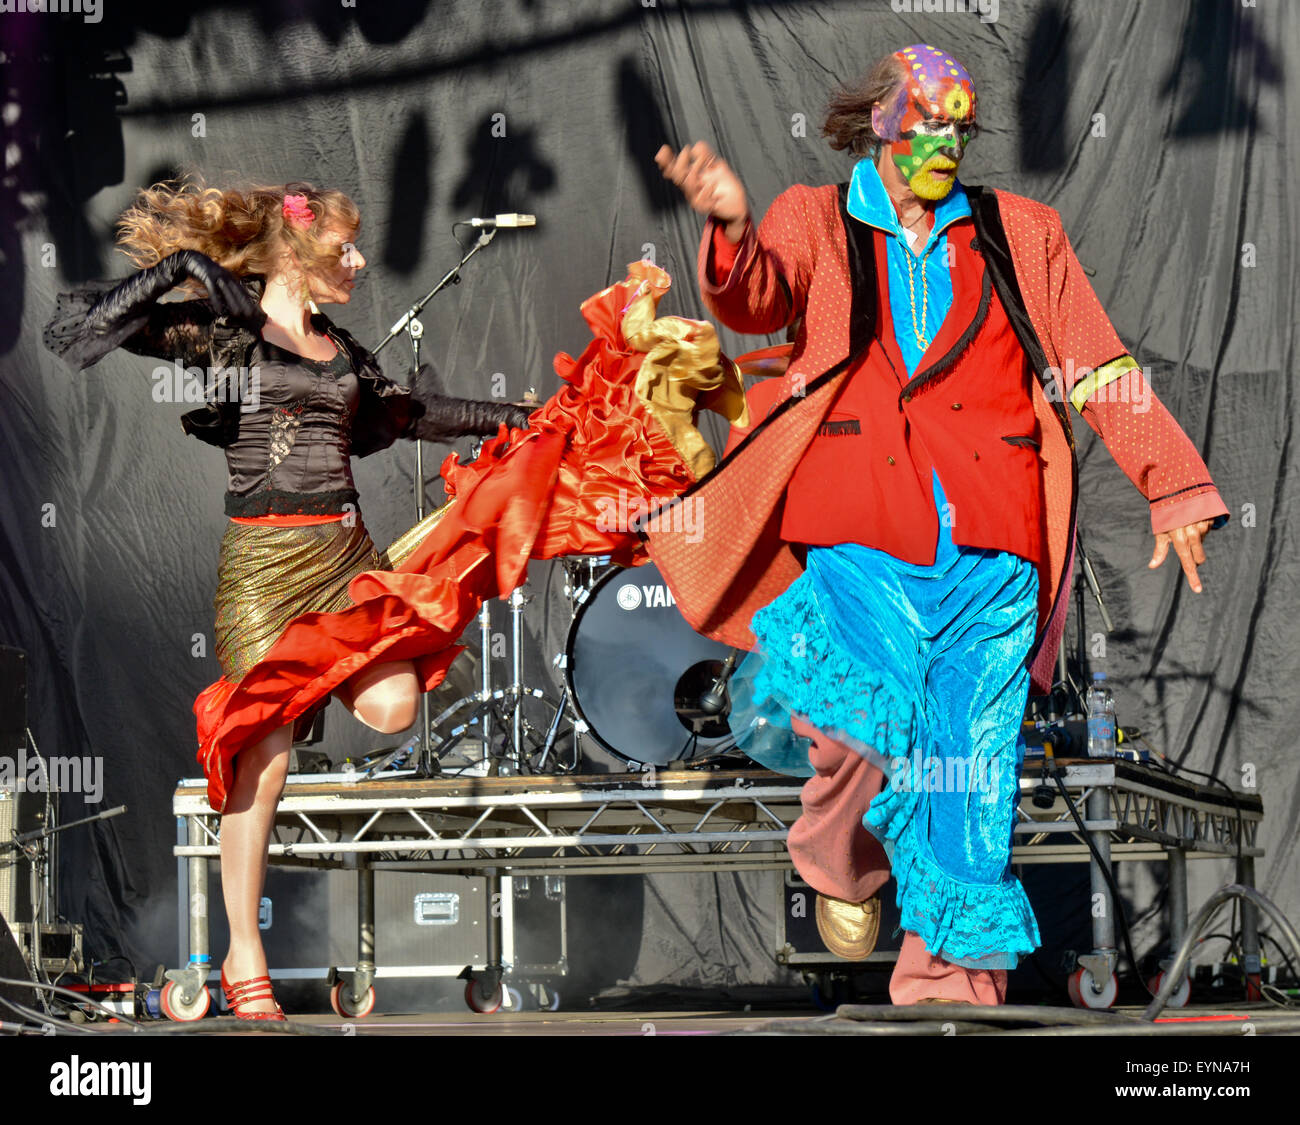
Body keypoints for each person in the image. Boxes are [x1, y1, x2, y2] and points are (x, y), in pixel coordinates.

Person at [652, 43, 1228, 1004]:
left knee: (969, 759)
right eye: (927, 121)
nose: (946, 142)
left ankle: (950, 986)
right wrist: (728, 225)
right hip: (858, 524)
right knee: (861, 729)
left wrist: (1172, 484)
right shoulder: (819, 221)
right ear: (881, 123)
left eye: (961, 125)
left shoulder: (1019, 231)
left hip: (994, 542)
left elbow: (1096, 365)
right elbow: (758, 297)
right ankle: (843, 857)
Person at [44, 177, 532, 1019]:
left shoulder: (339, 348)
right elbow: (79, 330)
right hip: (264, 571)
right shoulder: (228, 334)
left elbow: (413, 413)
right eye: (344, 248)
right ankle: (243, 951)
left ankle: (247, 942)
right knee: (260, 766)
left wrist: (516, 417)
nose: (359, 260)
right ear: (297, 257)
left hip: (343, 557)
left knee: (392, 704)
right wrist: (184, 265)